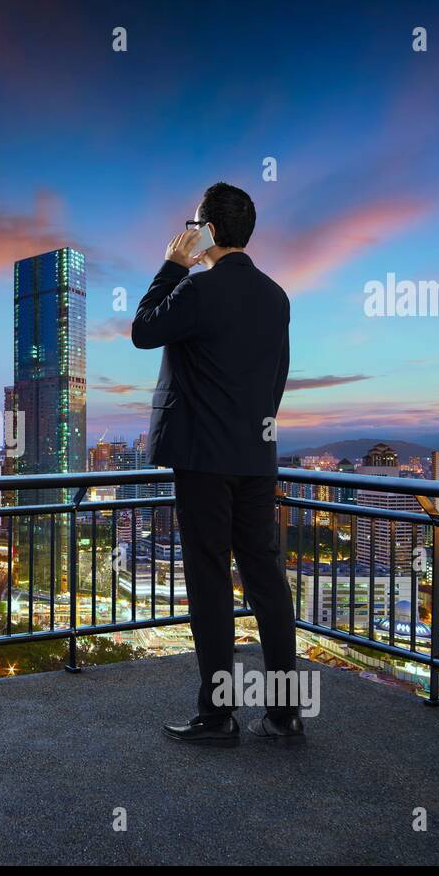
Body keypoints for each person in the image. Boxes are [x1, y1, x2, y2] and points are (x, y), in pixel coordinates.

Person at [131, 182, 303, 746]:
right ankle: (284, 712)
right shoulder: (276, 296)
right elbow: (275, 377)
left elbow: (142, 330)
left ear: (206, 229)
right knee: (266, 579)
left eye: (195, 222)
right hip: (257, 457)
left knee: (210, 584)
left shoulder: (199, 289)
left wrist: (172, 264)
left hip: (204, 458)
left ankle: (217, 714)